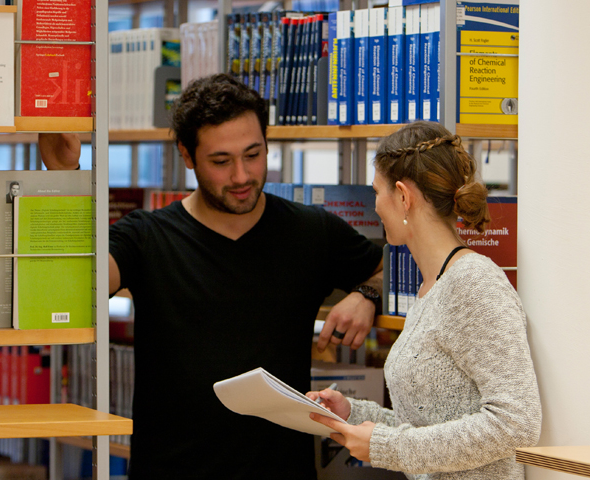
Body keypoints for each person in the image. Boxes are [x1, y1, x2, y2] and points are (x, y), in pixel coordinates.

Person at [40, 73, 384, 479]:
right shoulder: (146, 236)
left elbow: (390, 271)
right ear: (187, 155)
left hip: (280, 470)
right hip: (169, 469)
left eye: (254, 155)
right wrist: (63, 176)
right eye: (221, 161)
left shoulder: (311, 230)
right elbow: (76, 285)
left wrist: (367, 294)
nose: (241, 176)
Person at [308, 121, 541, 479]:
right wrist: (351, 412)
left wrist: (385, 446)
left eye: (377, 192)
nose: (375, 206)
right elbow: (424, 423)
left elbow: (516, 421)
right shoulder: (430, 286)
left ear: (403, 196)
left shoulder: (475, 284)